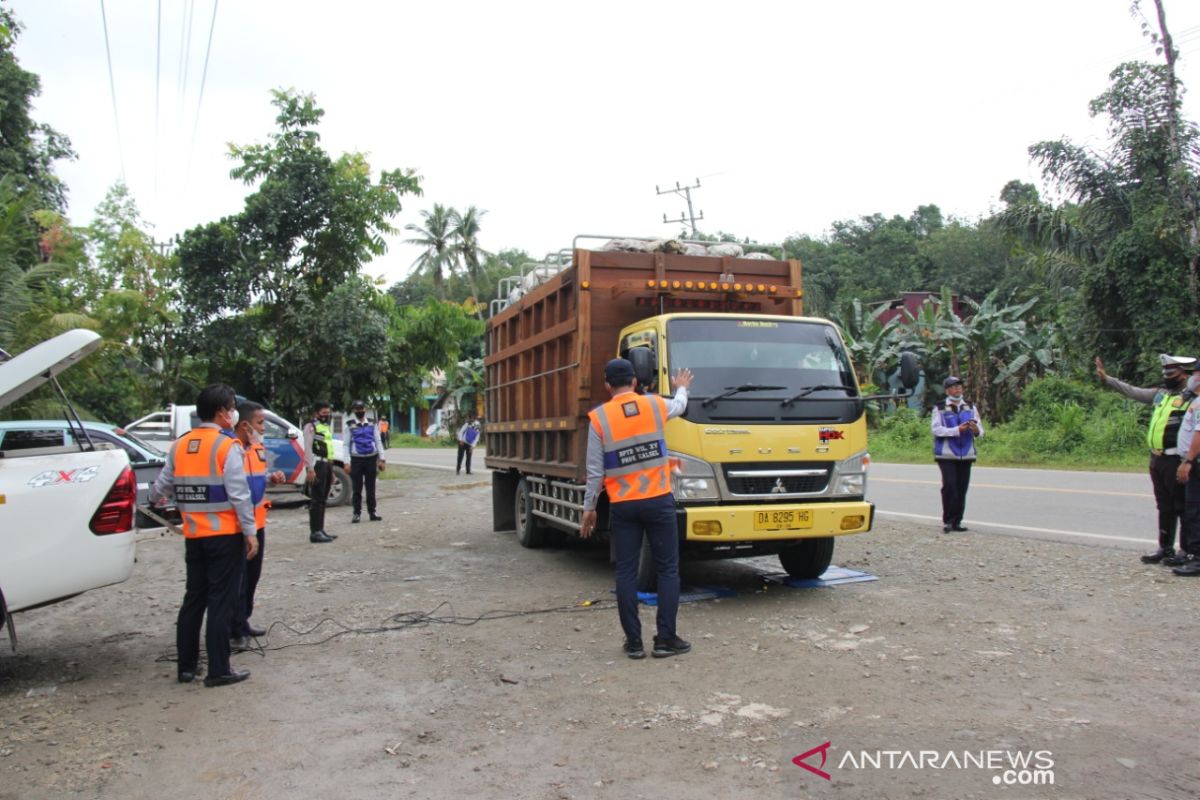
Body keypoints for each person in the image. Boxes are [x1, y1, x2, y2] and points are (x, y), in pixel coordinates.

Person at [579, 358, 694, 660]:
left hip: (624, 506)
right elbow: (680, 406)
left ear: (607, 386)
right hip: (658, 501)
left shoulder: (599, 419)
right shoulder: (654, 405)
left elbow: (594, 470)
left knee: (626, 572)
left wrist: (589, 507)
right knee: (668, 569)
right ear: (633, 382)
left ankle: (634, 643)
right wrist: (681, 388)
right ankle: (666, 640)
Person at [150, 384, 258, 688]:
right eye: (233, 406)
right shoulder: (227, 446)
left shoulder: (181, 445)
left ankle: (186, 668)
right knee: (221, 603)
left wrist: (155, 503)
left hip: (194, 535)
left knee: (193, 600)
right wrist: (251, 532)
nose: (234, 412)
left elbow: (160, 489)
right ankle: (219, 669)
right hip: (224, 536)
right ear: (223, 412)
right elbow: (239, 495)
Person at [1097, 354, 1196, 563]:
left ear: (1184, 374)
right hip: (1157, 459)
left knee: (1183, 506)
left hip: (1176, 459)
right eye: (1166, 373)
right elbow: (1133, 392)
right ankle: (1165, 548)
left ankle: (1186, 551)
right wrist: (1108, 380)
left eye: (1172, 373)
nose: (1168, 377)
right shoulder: (1161, 394)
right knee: (1164, 506)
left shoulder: (1192, 399)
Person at [230, 400, 286, 648]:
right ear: (245, 425)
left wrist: (271, 479)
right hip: (237, 527)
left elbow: (256, 480)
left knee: (252, 578)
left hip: (258, 523)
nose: (263, 428)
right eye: (260, 423)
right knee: (237, 580)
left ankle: (244, 620)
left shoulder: (257, 449)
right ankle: (235, 629)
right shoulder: (232, 451)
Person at [931, 376, 984, 533]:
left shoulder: (971, 407)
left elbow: (981, 432)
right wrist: (956, 431)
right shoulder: (939, 408)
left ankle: (957, 522)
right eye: (954, 387)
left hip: (966, 454)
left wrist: (975, 429)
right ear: (947, 390)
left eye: (959, 386)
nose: (958, 389)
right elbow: (936, 429)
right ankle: (947, 521)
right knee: (950, 486)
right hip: (946, 455)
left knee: (962, 488)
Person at [1172, 363, 1200, 575]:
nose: (1194, 377)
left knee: (1195, 511)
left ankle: (1196, 558)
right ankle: (1190, 553)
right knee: (1190, 510)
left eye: (1196, 373)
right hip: (1192, 461)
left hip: (1195, 463)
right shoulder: (1195, 400)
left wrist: (1188, 461)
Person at [344, 399, 385, 523]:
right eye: (357, 409)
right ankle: (356, 513)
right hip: (356, 459)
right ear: (354, 411)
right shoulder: (350, 425)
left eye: (361, 409)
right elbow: (345, 444)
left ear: (365, 409)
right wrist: (346, 462)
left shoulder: (372, 424)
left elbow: (378, 441)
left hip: (371, 458)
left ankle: (372, 512)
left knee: (371, 487)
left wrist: (382, 459)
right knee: (357, 488)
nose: (359, 411)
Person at [303, 401, 338, 543]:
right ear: (316, 413)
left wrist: (332, 470)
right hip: (317, 464)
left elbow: (329, 450)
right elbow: (308, 449)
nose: (326, 416)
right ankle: (315, 532)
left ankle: (321, 529)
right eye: (324, 413)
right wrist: (309, 469)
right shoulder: (310, 427)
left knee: (323, 499)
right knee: (317, 499)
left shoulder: (325, 427)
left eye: (328, 413)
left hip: (326, 464)